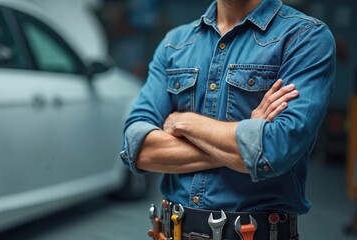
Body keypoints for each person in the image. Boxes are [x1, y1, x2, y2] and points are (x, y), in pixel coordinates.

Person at [120, 0, 336, 239]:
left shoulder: (304, 37)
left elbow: (274, 150)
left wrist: (185, 122)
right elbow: (138, 149)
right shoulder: (175, 44)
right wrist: (245, 143)